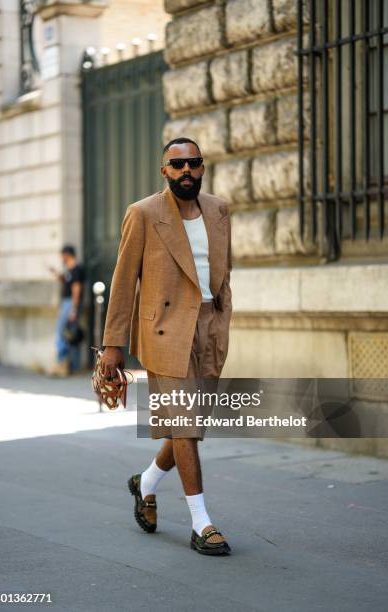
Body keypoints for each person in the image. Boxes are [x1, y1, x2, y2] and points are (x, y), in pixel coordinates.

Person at [101, 137, 232, 555]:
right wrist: (112, 345)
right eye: (178, 165)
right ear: (165, 171)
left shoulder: (219, 209)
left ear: (203, 167)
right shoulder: (143, 214)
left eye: (193, 163)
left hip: (209, 329)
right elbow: (123, 282)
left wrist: (223, 314)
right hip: (164, 333)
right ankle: (202, 523)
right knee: (186, 428)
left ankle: (146, 484)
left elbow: (221, 270)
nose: (186, 171)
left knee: (187, 426)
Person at [49, 245, 85, 376]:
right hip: (66, 303)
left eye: (62, 255)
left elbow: (76, 289)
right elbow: (65, 281)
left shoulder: (76, 269)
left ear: (68, 255)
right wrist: (56, 274)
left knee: (61, 333)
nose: (61, 258)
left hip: (70, 303)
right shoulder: (69, 270)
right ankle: (73, 366)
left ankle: (61, 363)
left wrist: (73, 309)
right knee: (71, 335)